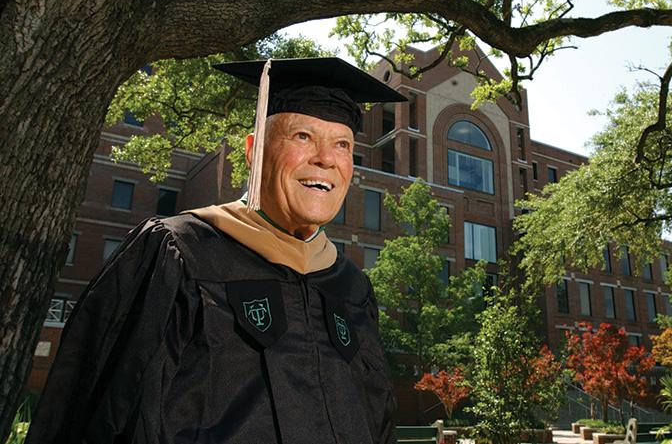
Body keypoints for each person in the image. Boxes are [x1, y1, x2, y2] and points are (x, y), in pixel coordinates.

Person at [27, 58, 405, 444]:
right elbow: (98, 420)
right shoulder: (179, 253)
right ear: (254, 151)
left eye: (342, 144)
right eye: (302, 136)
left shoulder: (351, 288)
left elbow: (380, 422)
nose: (326, 159)